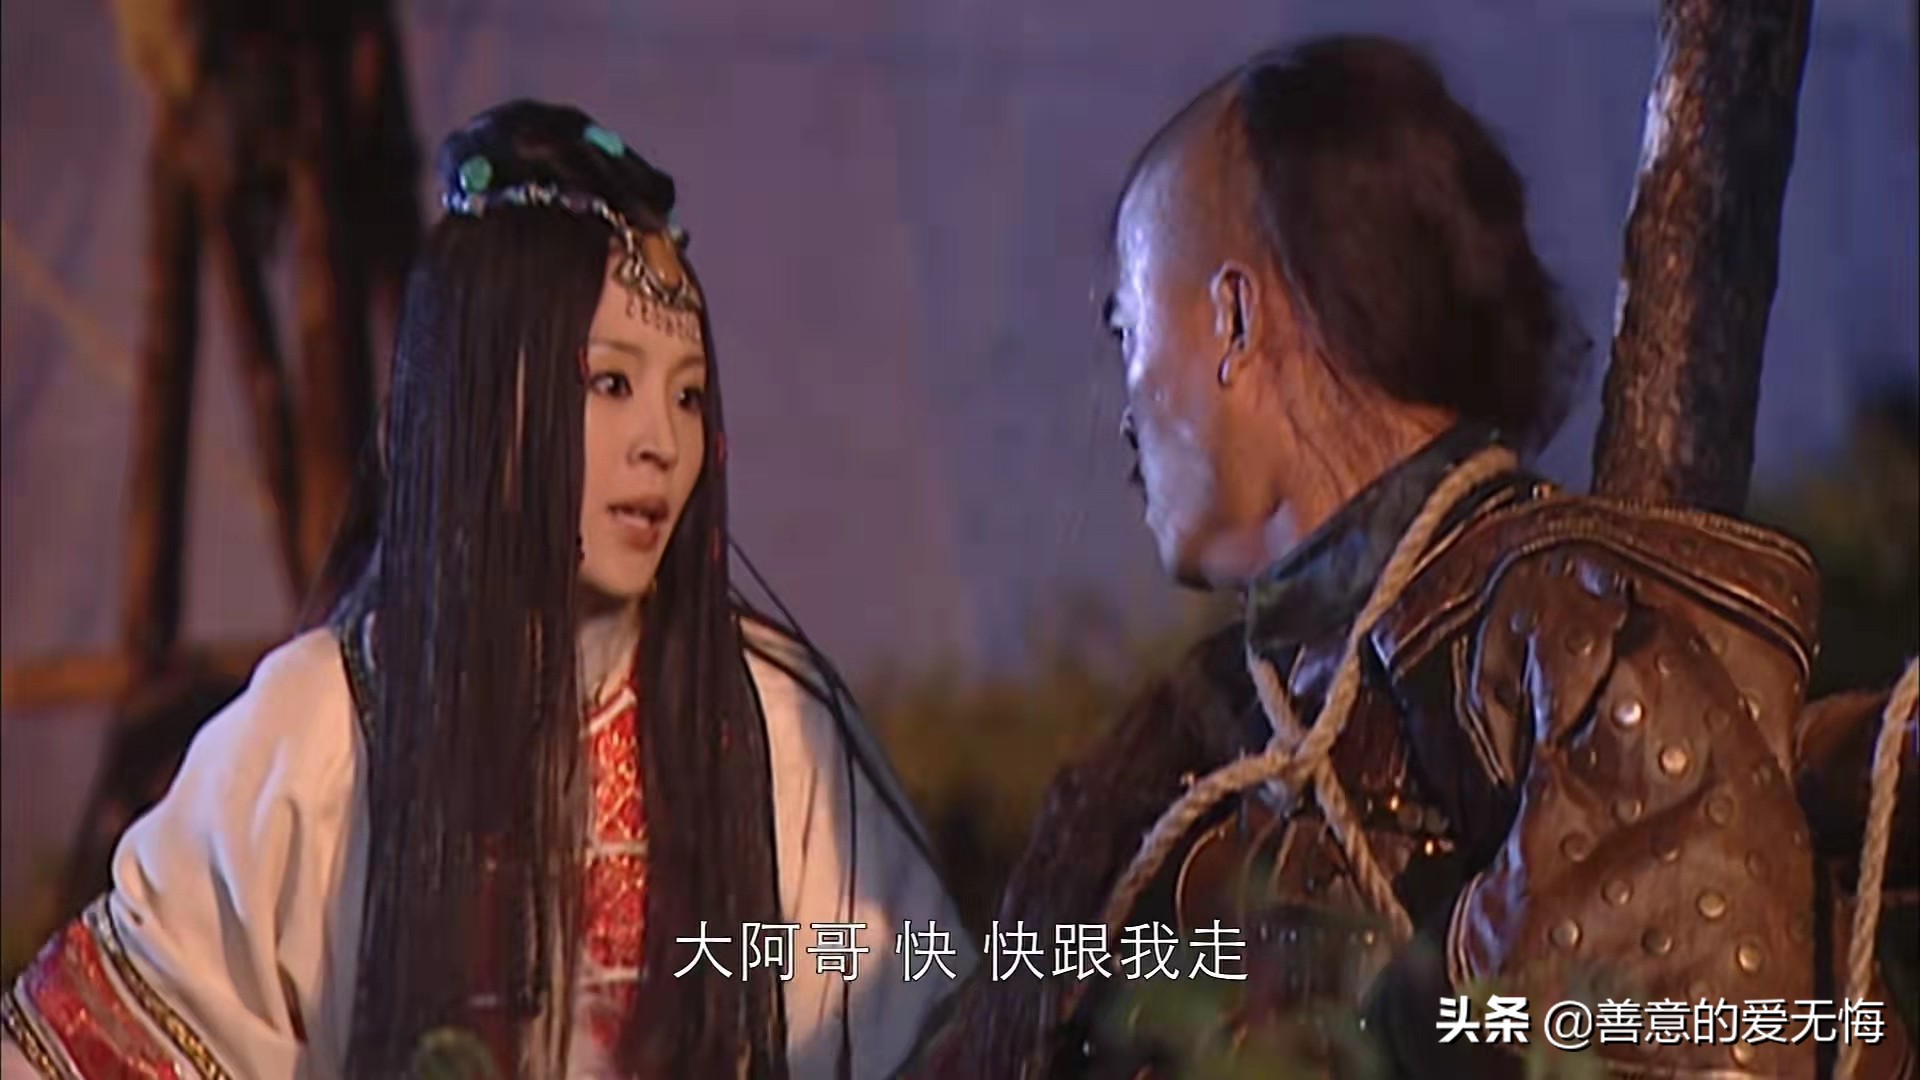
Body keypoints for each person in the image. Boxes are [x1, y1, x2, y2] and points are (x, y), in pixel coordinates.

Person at [903, 36, 1913, 1078]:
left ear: (1234, 319)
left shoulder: (1582, 635)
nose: (1124, 409)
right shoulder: (1216, 726)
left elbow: (1684, 1032)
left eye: (1127, 329)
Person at [2, 100, 973, 1080]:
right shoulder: (323, 732)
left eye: (686, 394)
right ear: (483, 394)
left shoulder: (769, 724)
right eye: (610, 384)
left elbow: (922, 1023)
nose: (661, 442)